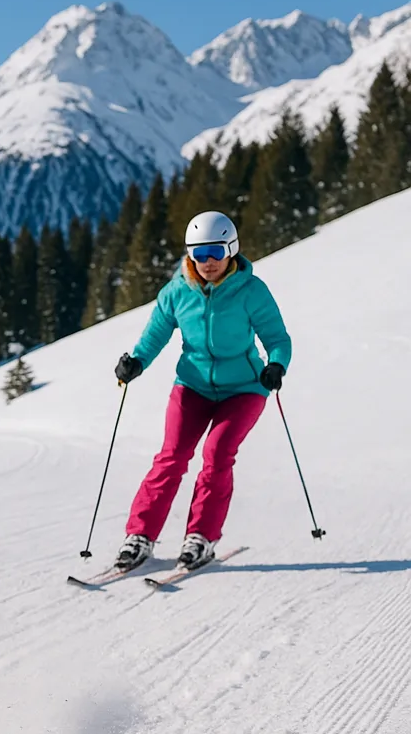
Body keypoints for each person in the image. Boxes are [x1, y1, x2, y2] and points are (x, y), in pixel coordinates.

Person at [113, 211, 292, 572]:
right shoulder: (178, 290)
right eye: (198, 253)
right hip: (192, 386)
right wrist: (137, 361)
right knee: (172, 456)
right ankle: (140, 536)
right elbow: (156, 333)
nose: (207, 261)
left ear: (231, 249)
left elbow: (277, 338)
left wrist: (276, 364)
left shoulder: (251, 290)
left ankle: (202, 537)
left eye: (214, 251)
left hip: (244, 387)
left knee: (217, 453)